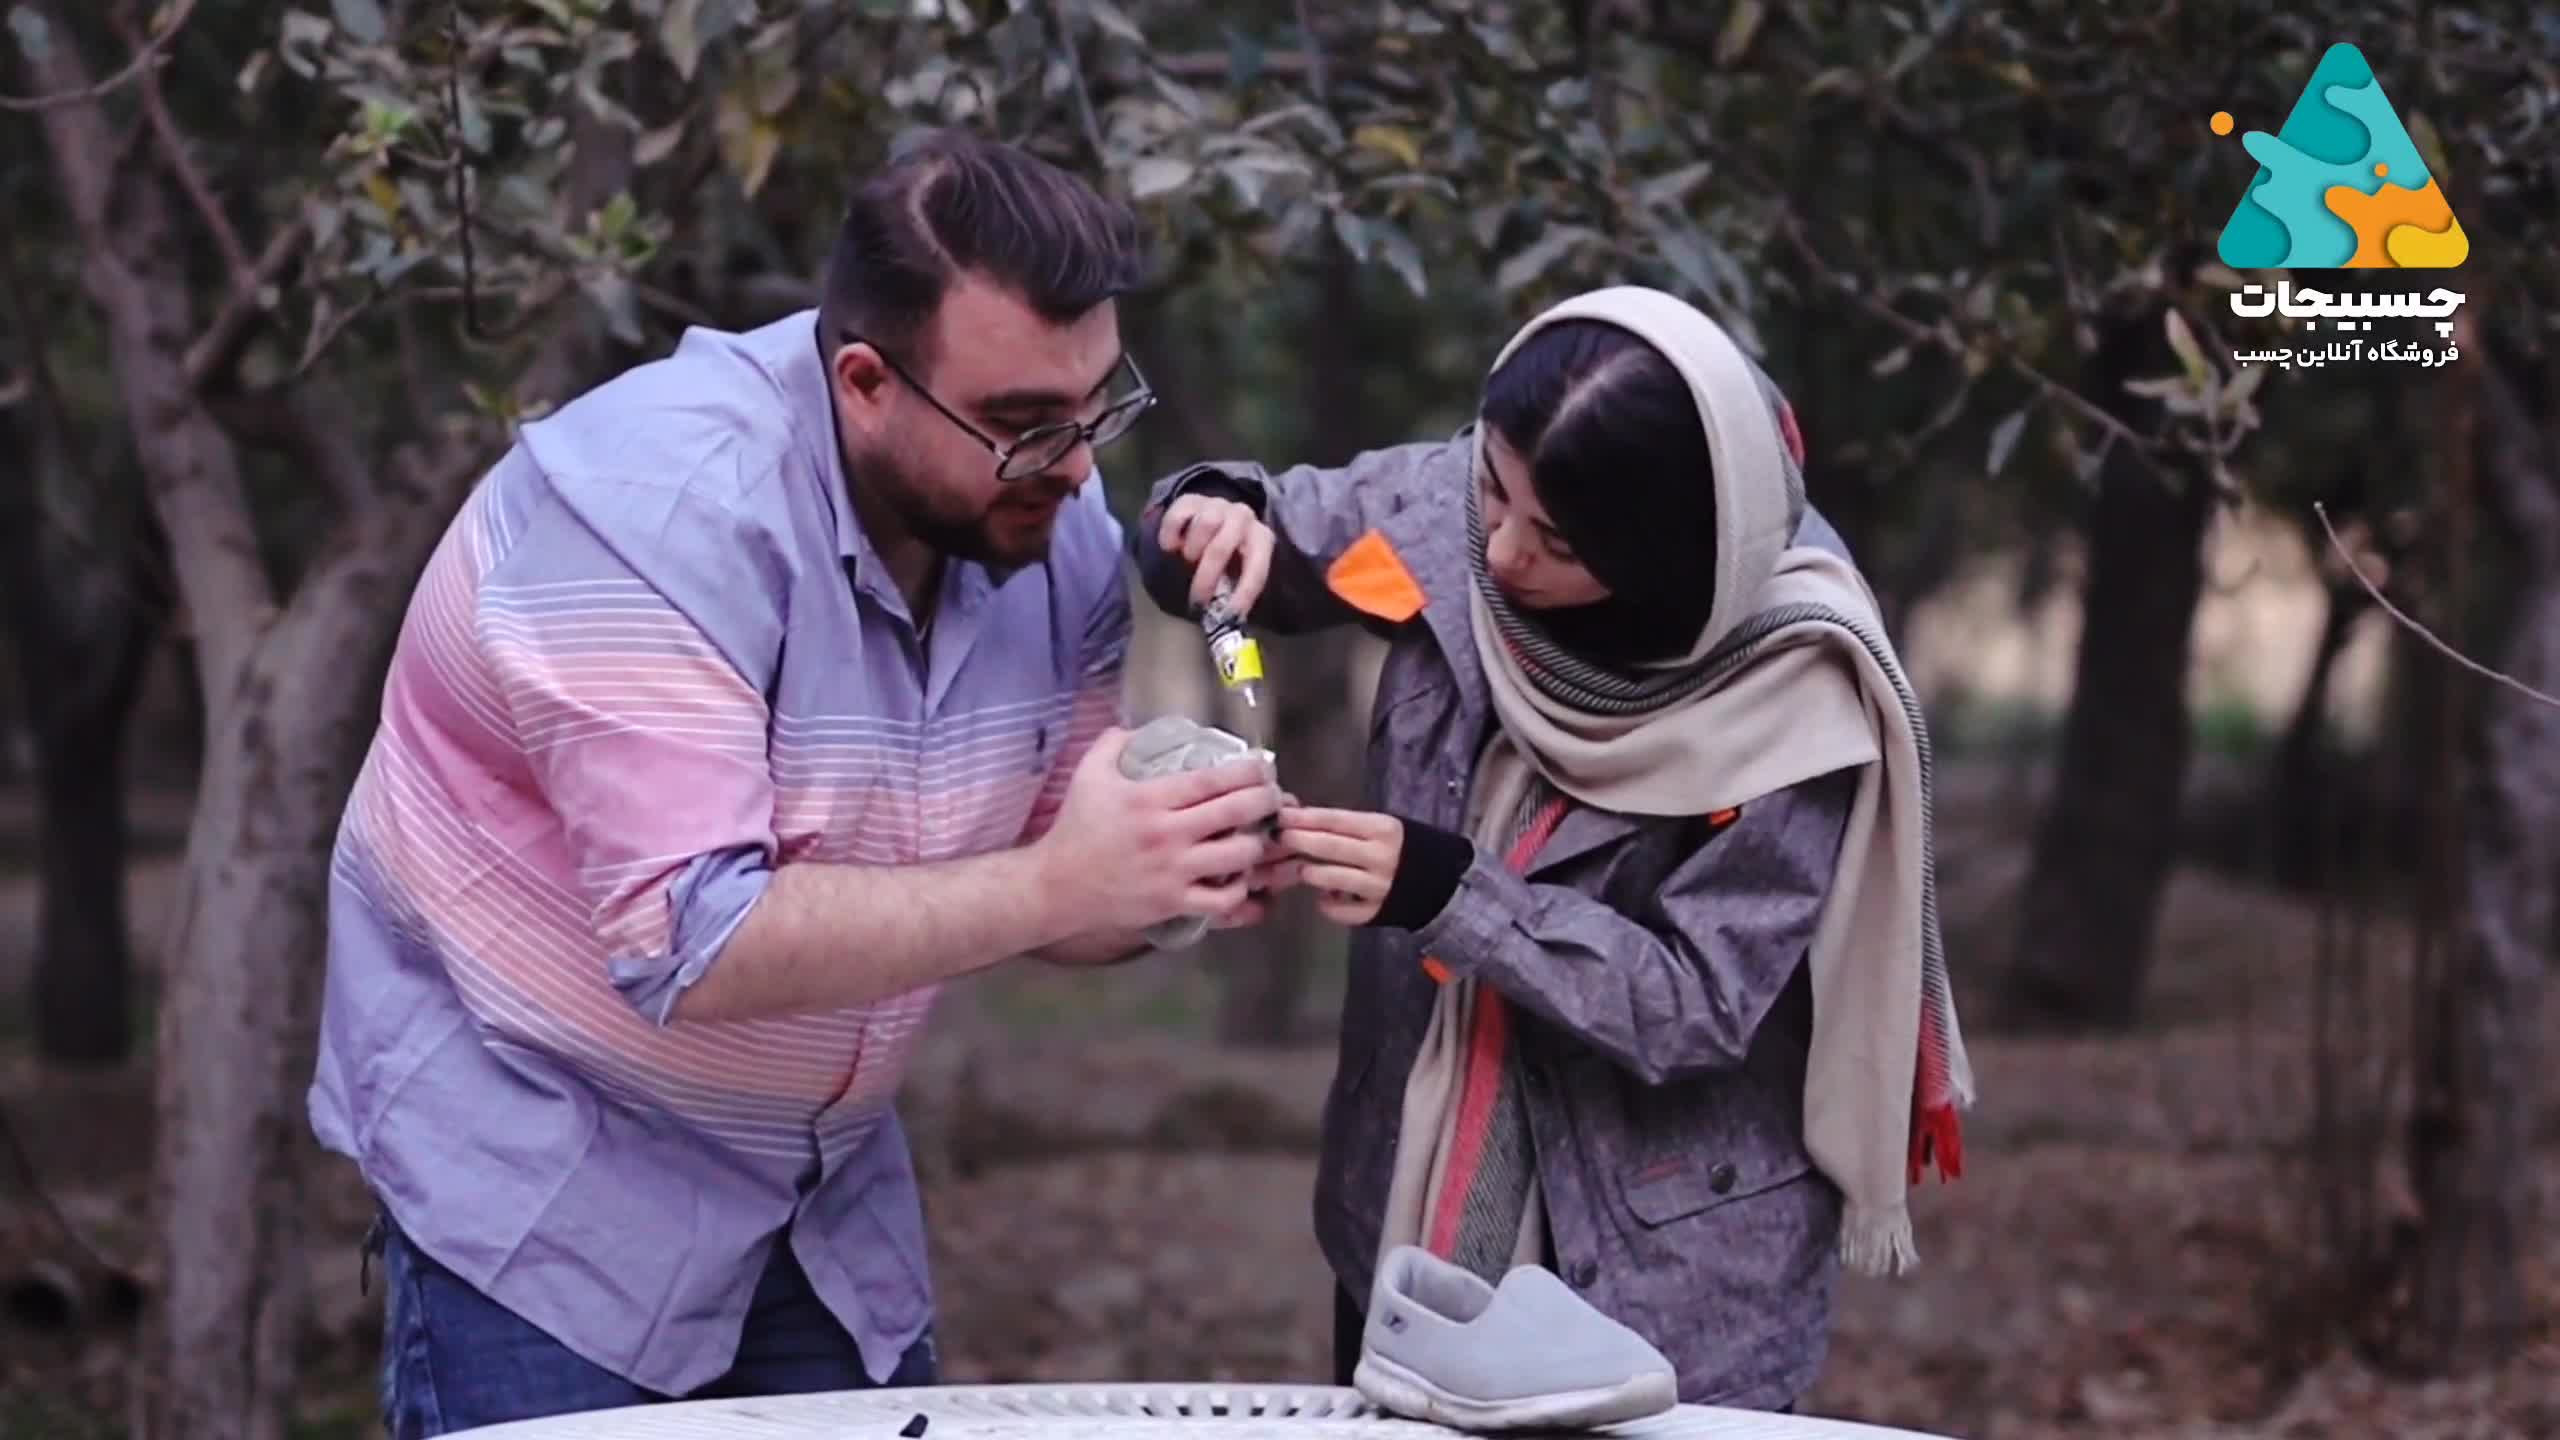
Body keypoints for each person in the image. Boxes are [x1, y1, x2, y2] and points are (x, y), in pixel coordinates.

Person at [310, 131, 1286, 1438]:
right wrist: (1064, 879)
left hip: (824, 1197)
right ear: (866, 382)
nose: (1074, 464)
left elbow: (1046, 865)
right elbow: (692, 939)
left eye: (1098, 405)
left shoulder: (1043, 517)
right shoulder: (653, 513)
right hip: (548, 1180)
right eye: (1022, 425)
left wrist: (1175, 866)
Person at [1133, 286, 1975, 1412]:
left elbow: (1696, 1003)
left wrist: (1451, 894)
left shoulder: (1793, 696)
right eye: (1492, 487)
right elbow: (1286, 534)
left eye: (1559, 541)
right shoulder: (1464, 510)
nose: (1498, 550)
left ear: (1668, 557)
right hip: (1405, 1238)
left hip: (1663, 1284)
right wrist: (1211, 516)